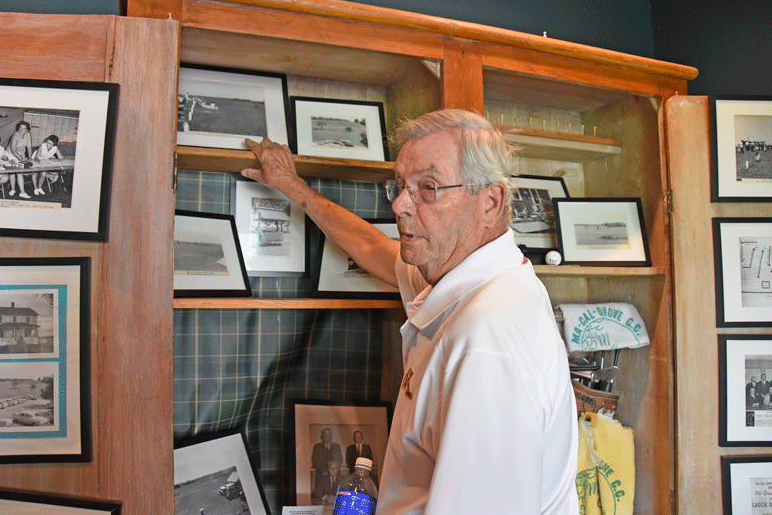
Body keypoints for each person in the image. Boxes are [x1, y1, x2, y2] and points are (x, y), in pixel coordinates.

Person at [243, 108, 577, 514]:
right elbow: (372, 248)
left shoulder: (487, 338)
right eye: (401, 185)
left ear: (490, 202)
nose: (400, 204)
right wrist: (295, 189)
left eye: (428, 187)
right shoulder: (463, 275)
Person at [4, 120, 33, 199]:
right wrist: (21, 159)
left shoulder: (28, 134)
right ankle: (15, 190)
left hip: (20, 154)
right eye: (20, 128)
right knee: (14, 172)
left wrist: (30, 158)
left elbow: (29, 147)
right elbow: (13, 150)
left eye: (23, 129)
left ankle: (20, 192)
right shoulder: (15, 136)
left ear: (27, 130)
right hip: (10, 154)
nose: (21, 130)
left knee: (19, 172)